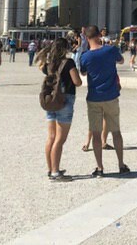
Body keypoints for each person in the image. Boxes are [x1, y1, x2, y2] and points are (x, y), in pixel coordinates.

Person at [78, 25, 130, 177]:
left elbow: (82, 72)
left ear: (87, 38)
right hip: (111, 96)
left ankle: (100, 168)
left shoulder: (85, 56)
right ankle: (121, 165)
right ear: (99, 35)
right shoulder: (110, 50)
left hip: (94, 98)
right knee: (116, 132)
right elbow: (121, 61)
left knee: (95, 134)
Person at [38, 38, 82, 181]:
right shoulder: (68, 62)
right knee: (60, 139)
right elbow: (77, 82)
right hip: (65, 100)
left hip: (51, 100)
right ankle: (56, 173)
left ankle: (51, 169)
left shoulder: (49, 64)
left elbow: (41, 66)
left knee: (51, 137)